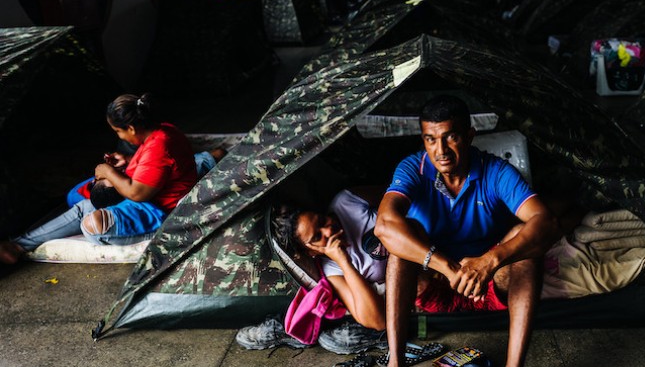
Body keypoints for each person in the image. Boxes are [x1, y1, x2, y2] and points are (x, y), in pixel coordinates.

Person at [370, 94, 560, 367]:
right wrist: (445, 265)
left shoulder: (495, 171)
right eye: (431, 139)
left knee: (524, 238)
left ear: (470, 136)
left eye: (451, 137)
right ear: (423, 140)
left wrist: (489, 261)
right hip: (435, 283)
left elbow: (545, 223)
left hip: (486, 283)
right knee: (400, 239)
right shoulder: (413, 168)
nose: (440, 149)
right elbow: (383, 226)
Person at [0, 93, 198, 264]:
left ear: (130, 128)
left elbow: (137, 193)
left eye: (118, 132)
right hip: (151, 201)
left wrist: (107, 172)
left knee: (93, 226)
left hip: (160, 211)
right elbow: (156, 164)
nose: (120, 137)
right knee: (84, 206)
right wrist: (128, 160)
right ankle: (18, 246)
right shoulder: (163, 130)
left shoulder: (159, 146)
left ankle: (160, 235)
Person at [236, 188, 391, 351]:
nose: (329, 230)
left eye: (322, 221)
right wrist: (345, 262)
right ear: (310, 251)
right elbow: (378, 321)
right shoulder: (333, 270)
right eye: (317, 237)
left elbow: (403, 193)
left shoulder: (347, 202)